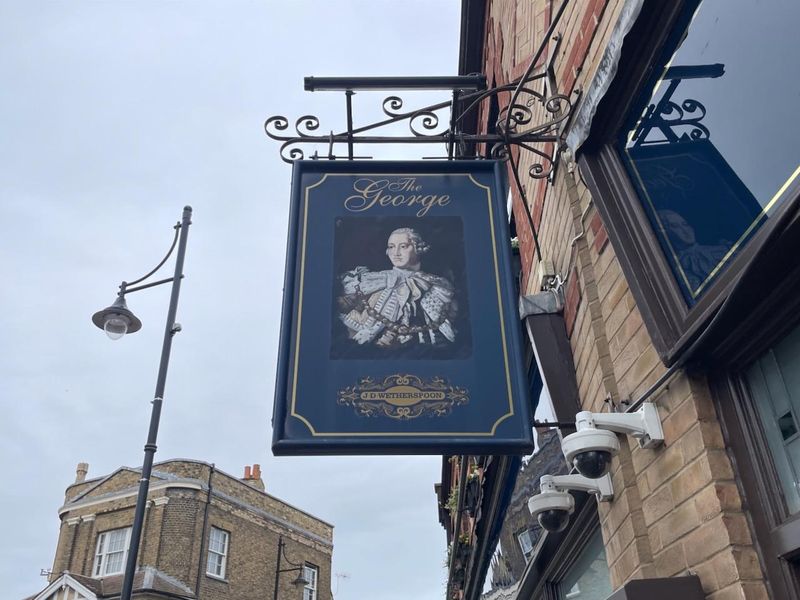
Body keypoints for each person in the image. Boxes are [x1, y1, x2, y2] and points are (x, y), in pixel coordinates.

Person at [337, 227, 457, 348]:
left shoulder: (437, 286)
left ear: (419, 248)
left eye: (403, 246)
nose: (396, 252)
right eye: (391, 247)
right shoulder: (369, 281)